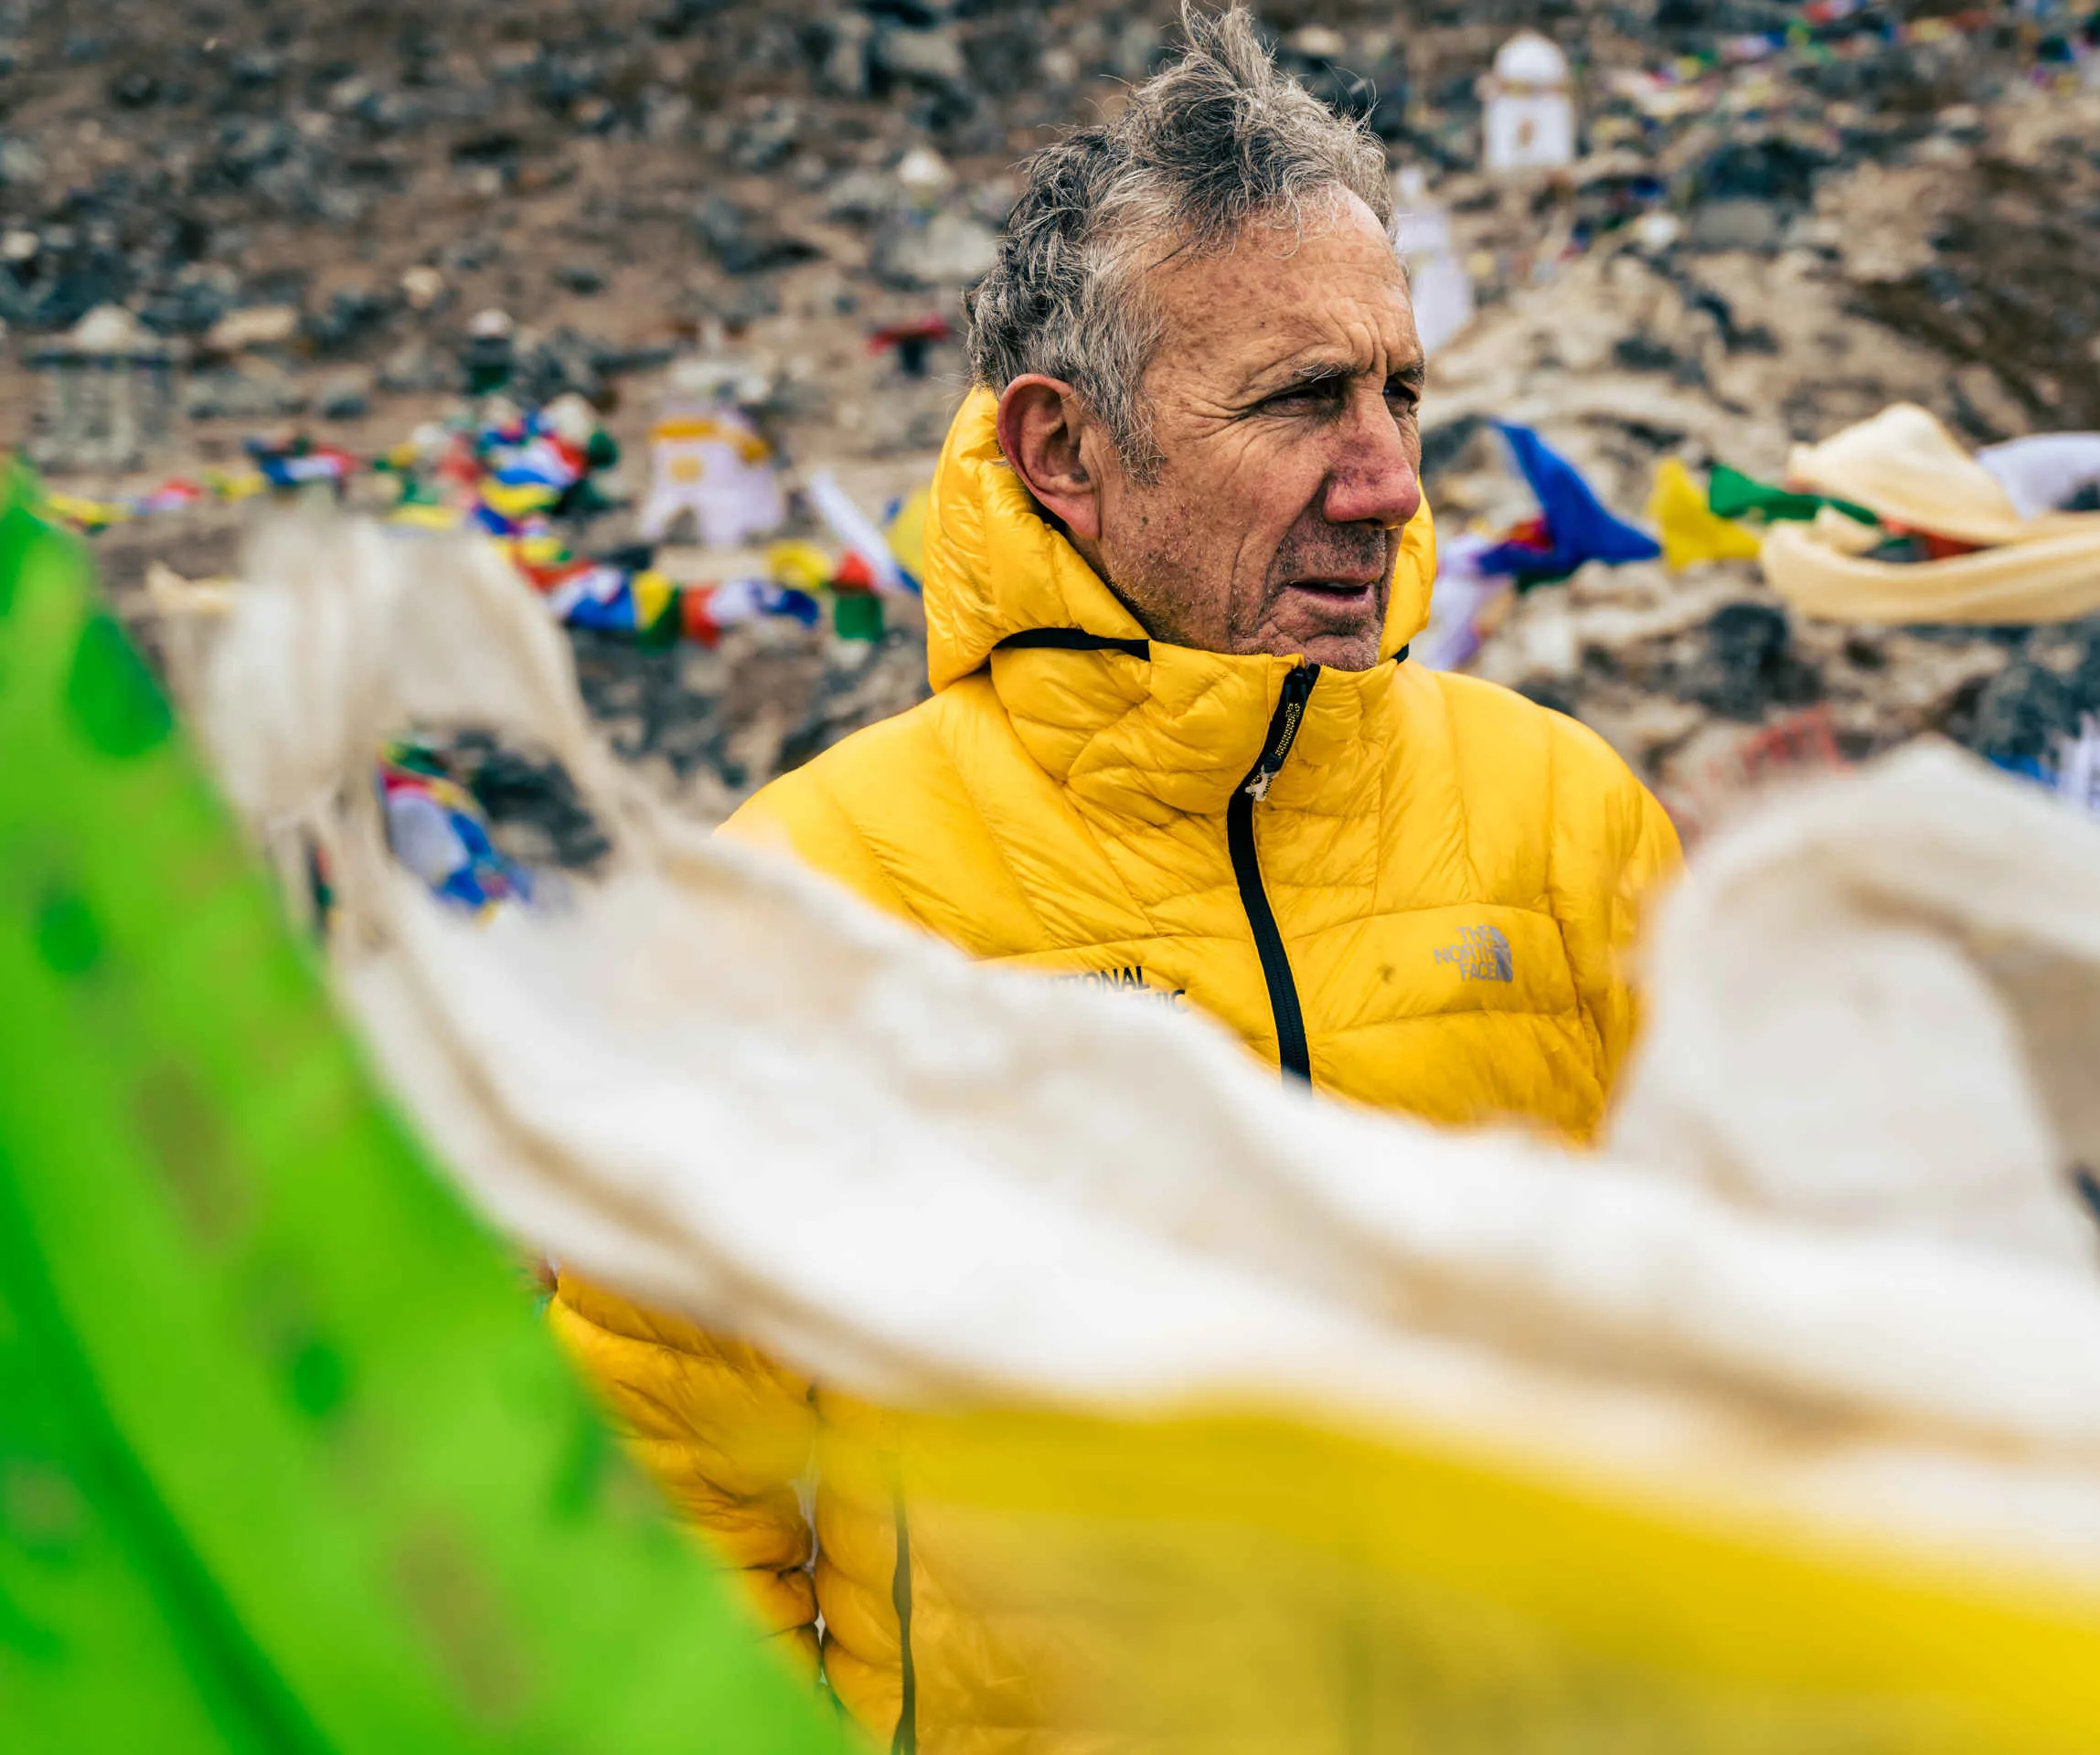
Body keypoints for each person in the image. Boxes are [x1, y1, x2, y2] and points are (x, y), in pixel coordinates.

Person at [549, 6, 1682, 1745]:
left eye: (1399, 391)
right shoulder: (803, 903)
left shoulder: (1569, 822)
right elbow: (666, 1536)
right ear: (1063, 451)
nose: (1390, 483)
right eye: (1301, 400)